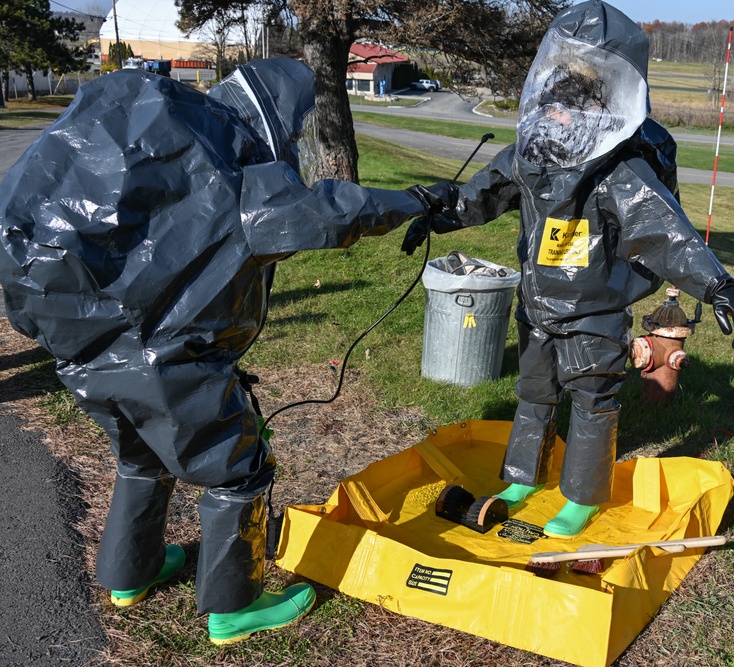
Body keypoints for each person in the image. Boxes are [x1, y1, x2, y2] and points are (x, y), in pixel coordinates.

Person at [0, 57, 453, 643]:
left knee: (141, 459)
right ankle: (235, 606)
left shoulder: (168, 145)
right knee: (239, 471)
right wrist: (420, 200)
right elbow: (331, 213)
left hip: (84, 351)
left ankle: (128, 576)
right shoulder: (237, 176)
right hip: (168, 359)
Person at [402, 0, 734, 539]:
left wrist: (718, 286)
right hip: (539, 302)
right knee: (535, 393)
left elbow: (663, 230)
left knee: (592, 399)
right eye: (554, 103)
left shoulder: (617, 168)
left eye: (572, 106)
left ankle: (582, 496)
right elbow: (482, 195)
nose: (559, 116)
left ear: (598, 107)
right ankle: (522, 477)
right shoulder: (530, 153)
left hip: (594, 308)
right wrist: (433, 215)